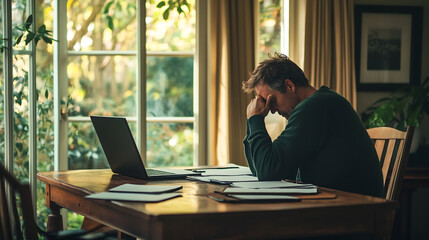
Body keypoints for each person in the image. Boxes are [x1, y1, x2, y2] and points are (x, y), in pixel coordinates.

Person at [242, 53, 383, 197]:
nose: (271, 110)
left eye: (272, 101)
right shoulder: (319, 103)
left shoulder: (314, 107)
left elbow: (268, 171)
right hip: (338, 202)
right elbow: (262, 170)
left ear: (289, 86)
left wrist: (255, 119)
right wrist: (252, 119)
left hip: (355, 208)